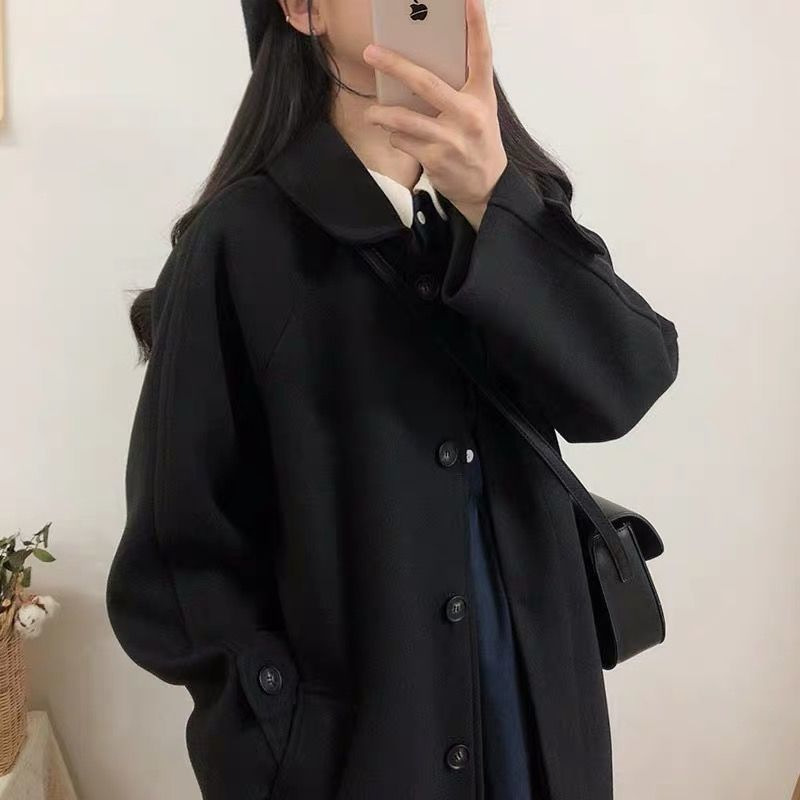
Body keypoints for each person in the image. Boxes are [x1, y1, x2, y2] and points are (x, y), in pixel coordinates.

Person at [105, 0, 680, 798]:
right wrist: (280, 743)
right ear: (302, 9)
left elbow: (625, 385)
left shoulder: (511, 209)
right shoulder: (239, 246)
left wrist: (495, 200)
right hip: (366, 757)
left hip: (541, 732)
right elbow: (176, 564)